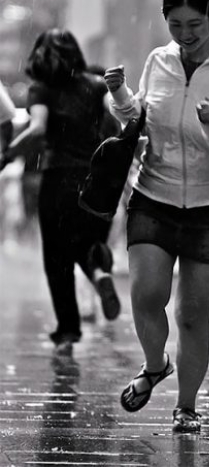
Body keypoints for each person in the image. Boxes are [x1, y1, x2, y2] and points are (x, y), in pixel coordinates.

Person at [104, 0, 209, 433]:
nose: (185, 34)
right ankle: (156, 365)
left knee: (193, 315)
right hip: (154, 193)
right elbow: (140, 119)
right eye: (175, 24)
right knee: (146, 295)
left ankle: (186, 407)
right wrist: (120, 94)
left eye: (194, 24)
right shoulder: (159, 61)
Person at [0, 29, 121, 354]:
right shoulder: (96, 85)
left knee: (57, 256)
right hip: (94, 180)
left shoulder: (42, 89)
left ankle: (68, 331)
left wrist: (7, 155)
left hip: (58, 178)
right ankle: (98, 272)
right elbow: (115, 124)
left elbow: (38, 130)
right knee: (84, 241)